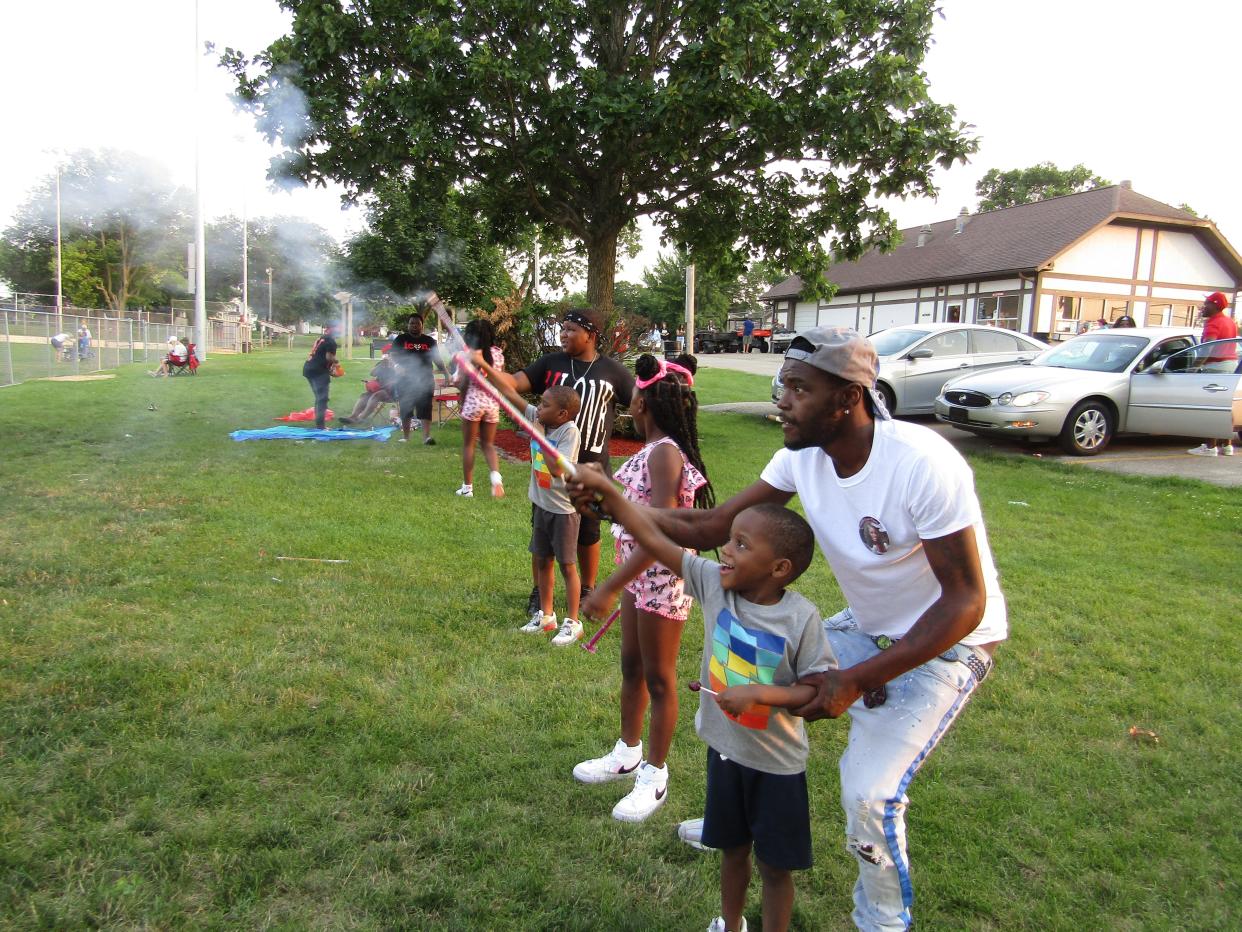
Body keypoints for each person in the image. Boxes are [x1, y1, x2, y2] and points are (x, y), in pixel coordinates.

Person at [574, 327, 1007, 932]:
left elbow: (964, 601)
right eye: (783, 385)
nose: (782, 399)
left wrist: (856, 679)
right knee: (742, 670)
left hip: (950, 640)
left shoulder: (922, 462)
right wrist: (618, 502)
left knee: (869, 795)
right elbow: (717, 526)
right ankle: (739, 825)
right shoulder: (802, 458)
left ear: (848, 398)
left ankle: (883, 919)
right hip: (869, 625)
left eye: (799, 389)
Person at [576, 464, 832, 932]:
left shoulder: (802, 618)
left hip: (777, 768)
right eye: (729, 540)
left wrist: (760, 693)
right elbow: (656, 544)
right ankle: (730, 923)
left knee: (775, 867)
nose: (726, 551)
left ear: (780, 568)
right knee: (732, 849)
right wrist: (610, 496)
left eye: (741, 545)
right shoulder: (714, 583)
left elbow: (818, 691)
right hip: (725, 755)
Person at [573, 354, 714, 821]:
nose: (627, 401)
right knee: (631, 668)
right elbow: (632, 516)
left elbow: (660, 535)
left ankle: (655, 775)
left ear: (644, 403)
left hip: (660, 577)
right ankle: (627, 753)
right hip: (638, 576)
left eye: (632, 393)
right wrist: (596, 502)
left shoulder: (665, 453)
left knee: (660, 677)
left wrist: (610, 586)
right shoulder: (651, 449)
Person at [489, 308, 635, 617]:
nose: (563, 334)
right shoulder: (551, 363)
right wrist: (484, 367)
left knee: (588, 533)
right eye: (562, 329)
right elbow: (513, 383)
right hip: (550, 472)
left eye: (570, 329)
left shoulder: (612, 371)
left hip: (592, 469)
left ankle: (587, 590)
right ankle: (539, 591)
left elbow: (639, 403)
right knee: (542, 531)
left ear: (590, 335)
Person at [475, 350, 584, 644]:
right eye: (539, 402)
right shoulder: (541, 417)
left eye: (545, 404)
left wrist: (536, 433)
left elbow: (555, 468)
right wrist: (484, 370)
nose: (538, 407)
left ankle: (573, 622)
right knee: (542, 560)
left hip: (563, 511)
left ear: (562, 414)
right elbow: (513, 395)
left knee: (567, 566)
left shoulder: (568, 432)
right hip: (541, 505)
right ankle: (546, 616)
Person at [454, 318, 506, 498]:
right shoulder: (498, 354)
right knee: (488, 445)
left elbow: (461, 382)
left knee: (469, 445)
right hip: (492, 404)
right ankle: (496, 480)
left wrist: (461, 398)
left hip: (473, 403)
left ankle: (467, 488)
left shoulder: (466, 355)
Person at [1188, 291, 1238, 456]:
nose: (1204, 307)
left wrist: (1194, 367)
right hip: (1230, 365)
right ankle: (1227, 445)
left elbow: (1207, 348)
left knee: (1212, 407)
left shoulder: (1214, 323)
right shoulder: (1229, 322)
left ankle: (1210, 446)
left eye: (1207, 303)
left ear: (1215, 305)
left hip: (1215, 367)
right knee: (1225, 407)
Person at [338, 356, 397, 426]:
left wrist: (393, 367)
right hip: (381, 389)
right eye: (389, 354)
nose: (390, 356)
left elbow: (401, 378)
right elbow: (372, 373)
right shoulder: (383, 363)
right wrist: (381, 364)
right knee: (365, 395)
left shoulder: (400, 364)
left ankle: (361, 418)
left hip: (395, 392)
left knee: (377, 395)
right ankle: (353, 417)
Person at [302, 323, 339, 428]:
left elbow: (320, 355)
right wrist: (336, 362)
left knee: (319, 398)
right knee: (322, 398)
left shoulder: (322, 338)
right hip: (318, 371)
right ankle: (321, 426)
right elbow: (328, 357)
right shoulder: (331, 341)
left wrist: (330, 370)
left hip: (309, 368)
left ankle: (320, 423)